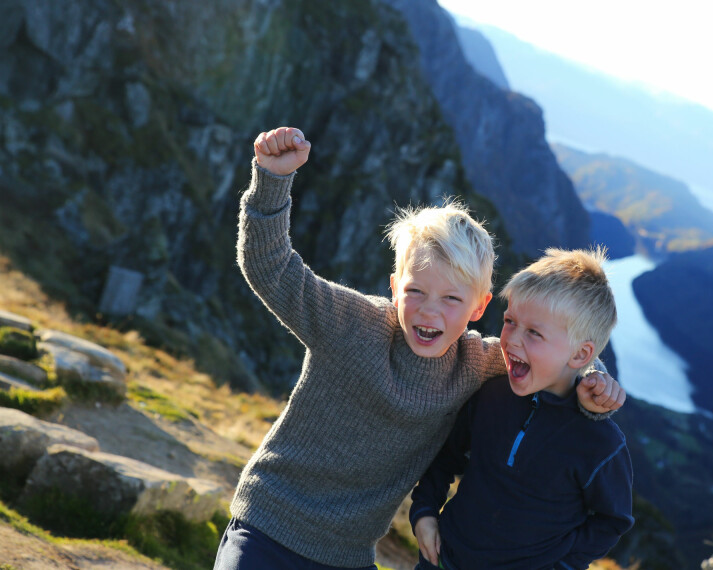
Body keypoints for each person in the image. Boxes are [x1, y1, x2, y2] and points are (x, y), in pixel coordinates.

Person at [214, 127, 625, 570]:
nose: (430, 312)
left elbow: (556, 355)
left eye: (451, 299)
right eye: (416, 292)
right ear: (394, 288)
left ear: (479, 307)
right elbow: (270, 268)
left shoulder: (481, 362)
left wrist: (593, 379)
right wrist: (271, 179)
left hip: (347, 557)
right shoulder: (351, 324)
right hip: (267, 528)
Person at [409, 248, 634, 570]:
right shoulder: (491, 394)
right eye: (510, 321)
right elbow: (446, 456)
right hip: (442, 560)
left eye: (534, 333)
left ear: (580, 354)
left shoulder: (602, 444)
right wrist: (425, 512)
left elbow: (611, 521)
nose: (512, 339)